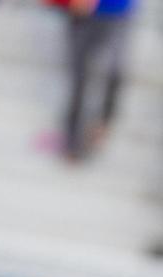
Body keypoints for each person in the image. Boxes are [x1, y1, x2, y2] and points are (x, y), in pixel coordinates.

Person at [60, 0, 135, 161]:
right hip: (85, 12)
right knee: (80, 77)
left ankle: (102, 123)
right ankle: (73, 140)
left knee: (114, 72)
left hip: (118, 11)